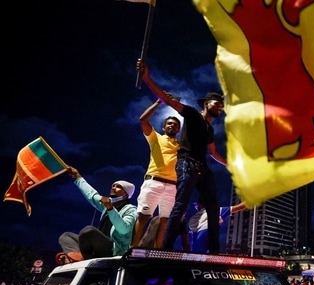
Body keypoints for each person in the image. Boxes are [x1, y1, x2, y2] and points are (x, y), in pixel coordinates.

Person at [136, 58, 227, 253]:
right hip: (187, 164)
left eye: (221, 106)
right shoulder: (193, 115)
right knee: (181, 204)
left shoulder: (209, 129)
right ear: (206, 104)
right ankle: (166, 249)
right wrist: (147, 78)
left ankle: (215, 251)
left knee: (213, 206)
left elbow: (213, 153)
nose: (220, 107)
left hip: (203, 168)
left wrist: (230, 165)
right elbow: (169, 101)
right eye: (217, 103)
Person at [57, 166, 137, 262]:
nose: (114, 188)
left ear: (126, 194)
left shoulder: (131, 210)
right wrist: (78, 177)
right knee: (66, 236)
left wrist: (111, 209)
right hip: (98, 246)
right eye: (113, 185)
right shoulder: (107, 204)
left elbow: (124, 229)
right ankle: (79, 257)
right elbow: (91, 194)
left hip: (113, 250)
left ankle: (79, 257)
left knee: (88, 231)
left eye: (119, 187)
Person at [132, 99, 181, 248]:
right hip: (154, 181)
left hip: (172, 186)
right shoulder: (156, 138)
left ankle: (157, 251)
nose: (172, 125)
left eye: (176, 125)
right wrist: (159, 101)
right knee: (144, 216)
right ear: (164, 126)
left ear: (178, 130)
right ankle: (132, 250)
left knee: (165, 220)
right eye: (169, 123)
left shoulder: (181, 146)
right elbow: (143, 120)